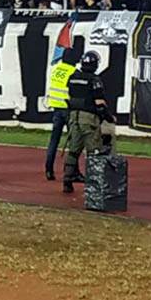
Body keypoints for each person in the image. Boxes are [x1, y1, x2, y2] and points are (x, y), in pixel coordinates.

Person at [63, 50, 113, 194]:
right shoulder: (94, 80)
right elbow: (99, 102)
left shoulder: (73, 77)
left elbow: (70, 95)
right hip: (88, 118)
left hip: (73, 117)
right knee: (94, 151)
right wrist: (108, 117)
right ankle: (94, 184)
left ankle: (67, 180)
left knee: (73, 150)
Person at [44, 48, 77, 180]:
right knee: (74, 142)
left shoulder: (56, 69)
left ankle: (49, 169)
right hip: (68, 109)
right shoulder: (73, 72)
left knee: (54, 140)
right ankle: (72, 171)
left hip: (56, 107)